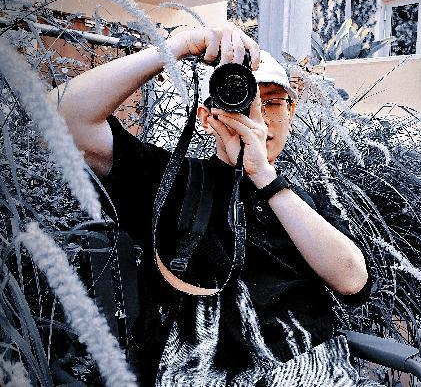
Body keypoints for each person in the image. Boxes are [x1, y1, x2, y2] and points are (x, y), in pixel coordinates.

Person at [48, 23, 377, 386]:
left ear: (291, 112)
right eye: (243, 100)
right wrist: (178, 45)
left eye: (271, 102)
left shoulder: (303, 202)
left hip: (321, 373)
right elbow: (61, 116)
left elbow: (353, 281)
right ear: (207, 117)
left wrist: (264, 177)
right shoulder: (174, 182)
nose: (259, 116)